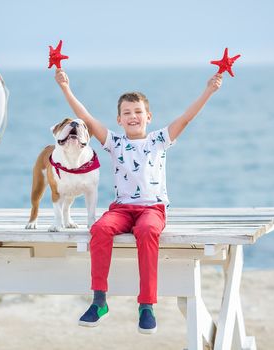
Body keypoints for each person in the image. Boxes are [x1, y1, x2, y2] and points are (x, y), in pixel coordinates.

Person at [54, 68, 222, 334]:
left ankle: (146, 305)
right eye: (127, 113)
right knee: (99, 228)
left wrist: (209, 91)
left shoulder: (160, 140)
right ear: (119, 119)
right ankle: (99, 301)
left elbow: (186, 118)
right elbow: (85, 116)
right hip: (122, 208)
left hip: (152, 209)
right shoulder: (114, 141)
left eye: (138, 112)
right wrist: (66, 87)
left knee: (146, 231)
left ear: (148, 116)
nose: (133, 116)